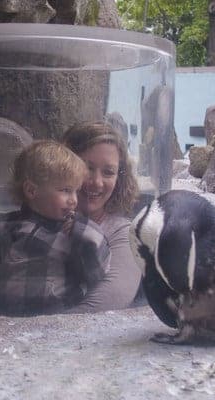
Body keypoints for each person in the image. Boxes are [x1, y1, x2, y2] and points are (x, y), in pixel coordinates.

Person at [0, 140, 112, 316]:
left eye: (75, 191)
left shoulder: (71, 231)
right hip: (6, 315)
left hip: (57, 314)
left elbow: (99, 268)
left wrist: (81, 230)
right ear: (31, 191)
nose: (74, 200)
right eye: (65, 190)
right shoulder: (7, 227)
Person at [62, 121, 142, 312]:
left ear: (119, 178)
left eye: (108, 172)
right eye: (86, 168)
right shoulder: (34, 219)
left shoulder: (123, 234)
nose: (96, 182)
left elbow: (109, 302)